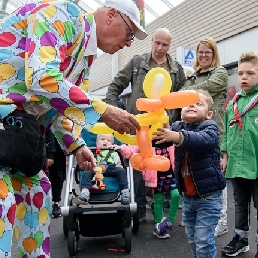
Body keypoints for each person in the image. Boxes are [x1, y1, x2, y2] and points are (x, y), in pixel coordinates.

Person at [0, 0, 146, 256]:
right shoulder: (61, 15)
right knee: (3, 202)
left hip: (21, 132)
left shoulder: (85, 57)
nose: (128, 43)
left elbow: (56, 104)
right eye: (130, 33)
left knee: (39, 196)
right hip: (7, 122)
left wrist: (76, 145)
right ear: (111, 15)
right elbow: (42, 78)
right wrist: (102, 109)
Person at [106, 27, 186, 222]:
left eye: (164, 44)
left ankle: (162, 209)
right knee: (139, 168)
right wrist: (110, 111)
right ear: (151, 40)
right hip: (139, 124)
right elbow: (116, 84)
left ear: (170, 45)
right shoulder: (137, 62)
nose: (159, 47)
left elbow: (183, 96)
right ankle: (139, 212)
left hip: (163, 128)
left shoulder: (176, 69)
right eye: (157, 43)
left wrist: (177, 124)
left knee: (164, 167)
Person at [153, 89, 226, 258]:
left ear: (209, 114)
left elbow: (202, 140)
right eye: (187, 103)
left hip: (209, 197)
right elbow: (159, 142)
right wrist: (157, 130)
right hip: (188, 198)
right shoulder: (177, 126)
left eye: (198, 103)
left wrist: (176, 136)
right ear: (181, 110)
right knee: (193, 240)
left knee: (203, 242)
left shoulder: (210, 126)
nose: (192, 105)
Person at [180, 37, 229, 236]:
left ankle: (222, 221)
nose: (203, 55)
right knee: (196, 172)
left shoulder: (221, 72)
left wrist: (188, 93)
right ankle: (202, 216)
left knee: (215, 176)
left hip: (211, 131)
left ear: (214, 54)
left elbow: (202, 90)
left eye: (208, 52)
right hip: (192, 133)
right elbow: (181, 93)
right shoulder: (191, 78)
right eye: (200, 52)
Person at [220, 52, 258, 257]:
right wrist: (225, 156)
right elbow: (227, 132)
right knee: (240, 203)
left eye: (250, 73)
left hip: (256, 164)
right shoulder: (233, 103)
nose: (244, 77)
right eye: (241, 73)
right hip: (237, 164)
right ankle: (241, 239)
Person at [118, 123, 180, 239]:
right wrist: (121, 148)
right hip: (155, 176)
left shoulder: (171, 141)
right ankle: (158, 225)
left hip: (171, 174)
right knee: (158, 199)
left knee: (176, 195)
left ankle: (169, 221)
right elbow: (133, 148)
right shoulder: (146, 142)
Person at [73, 134, 130, 205]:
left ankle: (125, 192)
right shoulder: (90, 151)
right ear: (97, 143)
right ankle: (85, 192)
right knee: (86, 172)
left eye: (108, 140)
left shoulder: (114, 152)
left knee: (121, 171)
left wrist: (119, 164)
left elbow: (118, 160)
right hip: (95, 167)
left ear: (112, 144)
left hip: (110, 167)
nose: (105, 141)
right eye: (102, 139)